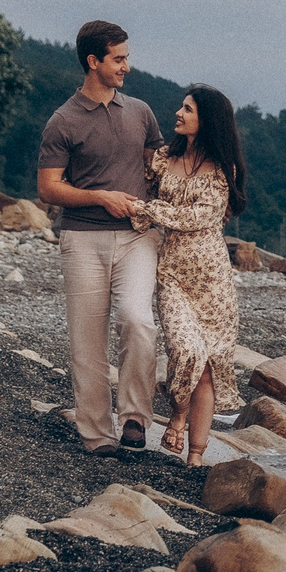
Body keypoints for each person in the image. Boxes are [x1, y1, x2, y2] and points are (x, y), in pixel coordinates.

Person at [36, 20, 166, 453]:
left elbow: (160, 171)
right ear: (94, 62)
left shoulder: (141, 113)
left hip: (138, 237)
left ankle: (133, 418)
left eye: (126, 57)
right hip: (82, 240)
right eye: (119, 59)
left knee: (138, 320)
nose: (127, 66)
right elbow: (48, 188)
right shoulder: (63, 121)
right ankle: (96, 434)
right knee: (86, 341)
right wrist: (99, 197)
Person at [106, 83, 246, 464]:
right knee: (185, 350)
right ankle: (179, 415)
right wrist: (136, 212)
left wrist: (151, 212)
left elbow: (202, 217)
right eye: (181, 108)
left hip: (213, 282)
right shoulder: (164, 159)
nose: (178, 114)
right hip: (172, 274)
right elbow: (143, 194)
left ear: (208, 121)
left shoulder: (222, 169)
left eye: (187, 109)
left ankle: (196, 456)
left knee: (208, 369)